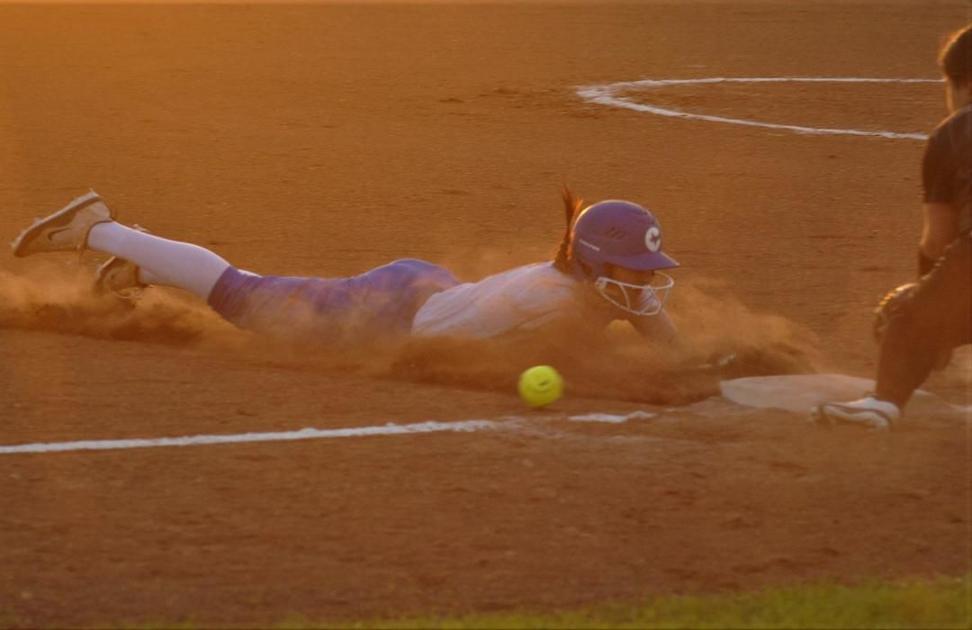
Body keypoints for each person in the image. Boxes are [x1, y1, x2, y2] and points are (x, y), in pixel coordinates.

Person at [11, 188, 681, 347]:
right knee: (242, 296)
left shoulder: (588, 286)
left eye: (647, 271)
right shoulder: (555, 303)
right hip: (393, 308)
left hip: (427, 287)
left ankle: (142, 271)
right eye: (636, 268)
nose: (646, 280)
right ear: (596, 263)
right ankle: (97, 227)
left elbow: (652, 323)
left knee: (245, 294)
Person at [812, 23, 972, 430]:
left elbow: (937, 243)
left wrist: (928, 315)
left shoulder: (955, 132)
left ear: (963, 83)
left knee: (905, 313)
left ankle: (883, 404)